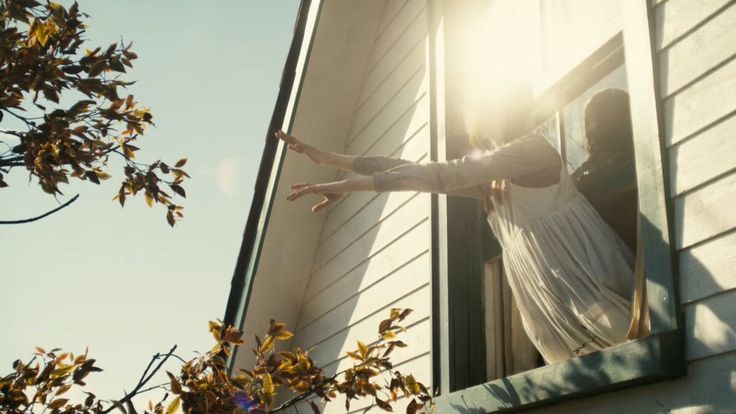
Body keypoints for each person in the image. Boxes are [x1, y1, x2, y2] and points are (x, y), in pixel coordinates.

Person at [276, 90, 637, 364]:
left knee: (633, 350)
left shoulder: (534, 149)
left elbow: (442, 175)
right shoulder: (493, 183)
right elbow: (417, 172)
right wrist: (332, 163)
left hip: (591, 288)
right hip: (563, 320)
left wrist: (346, 184)